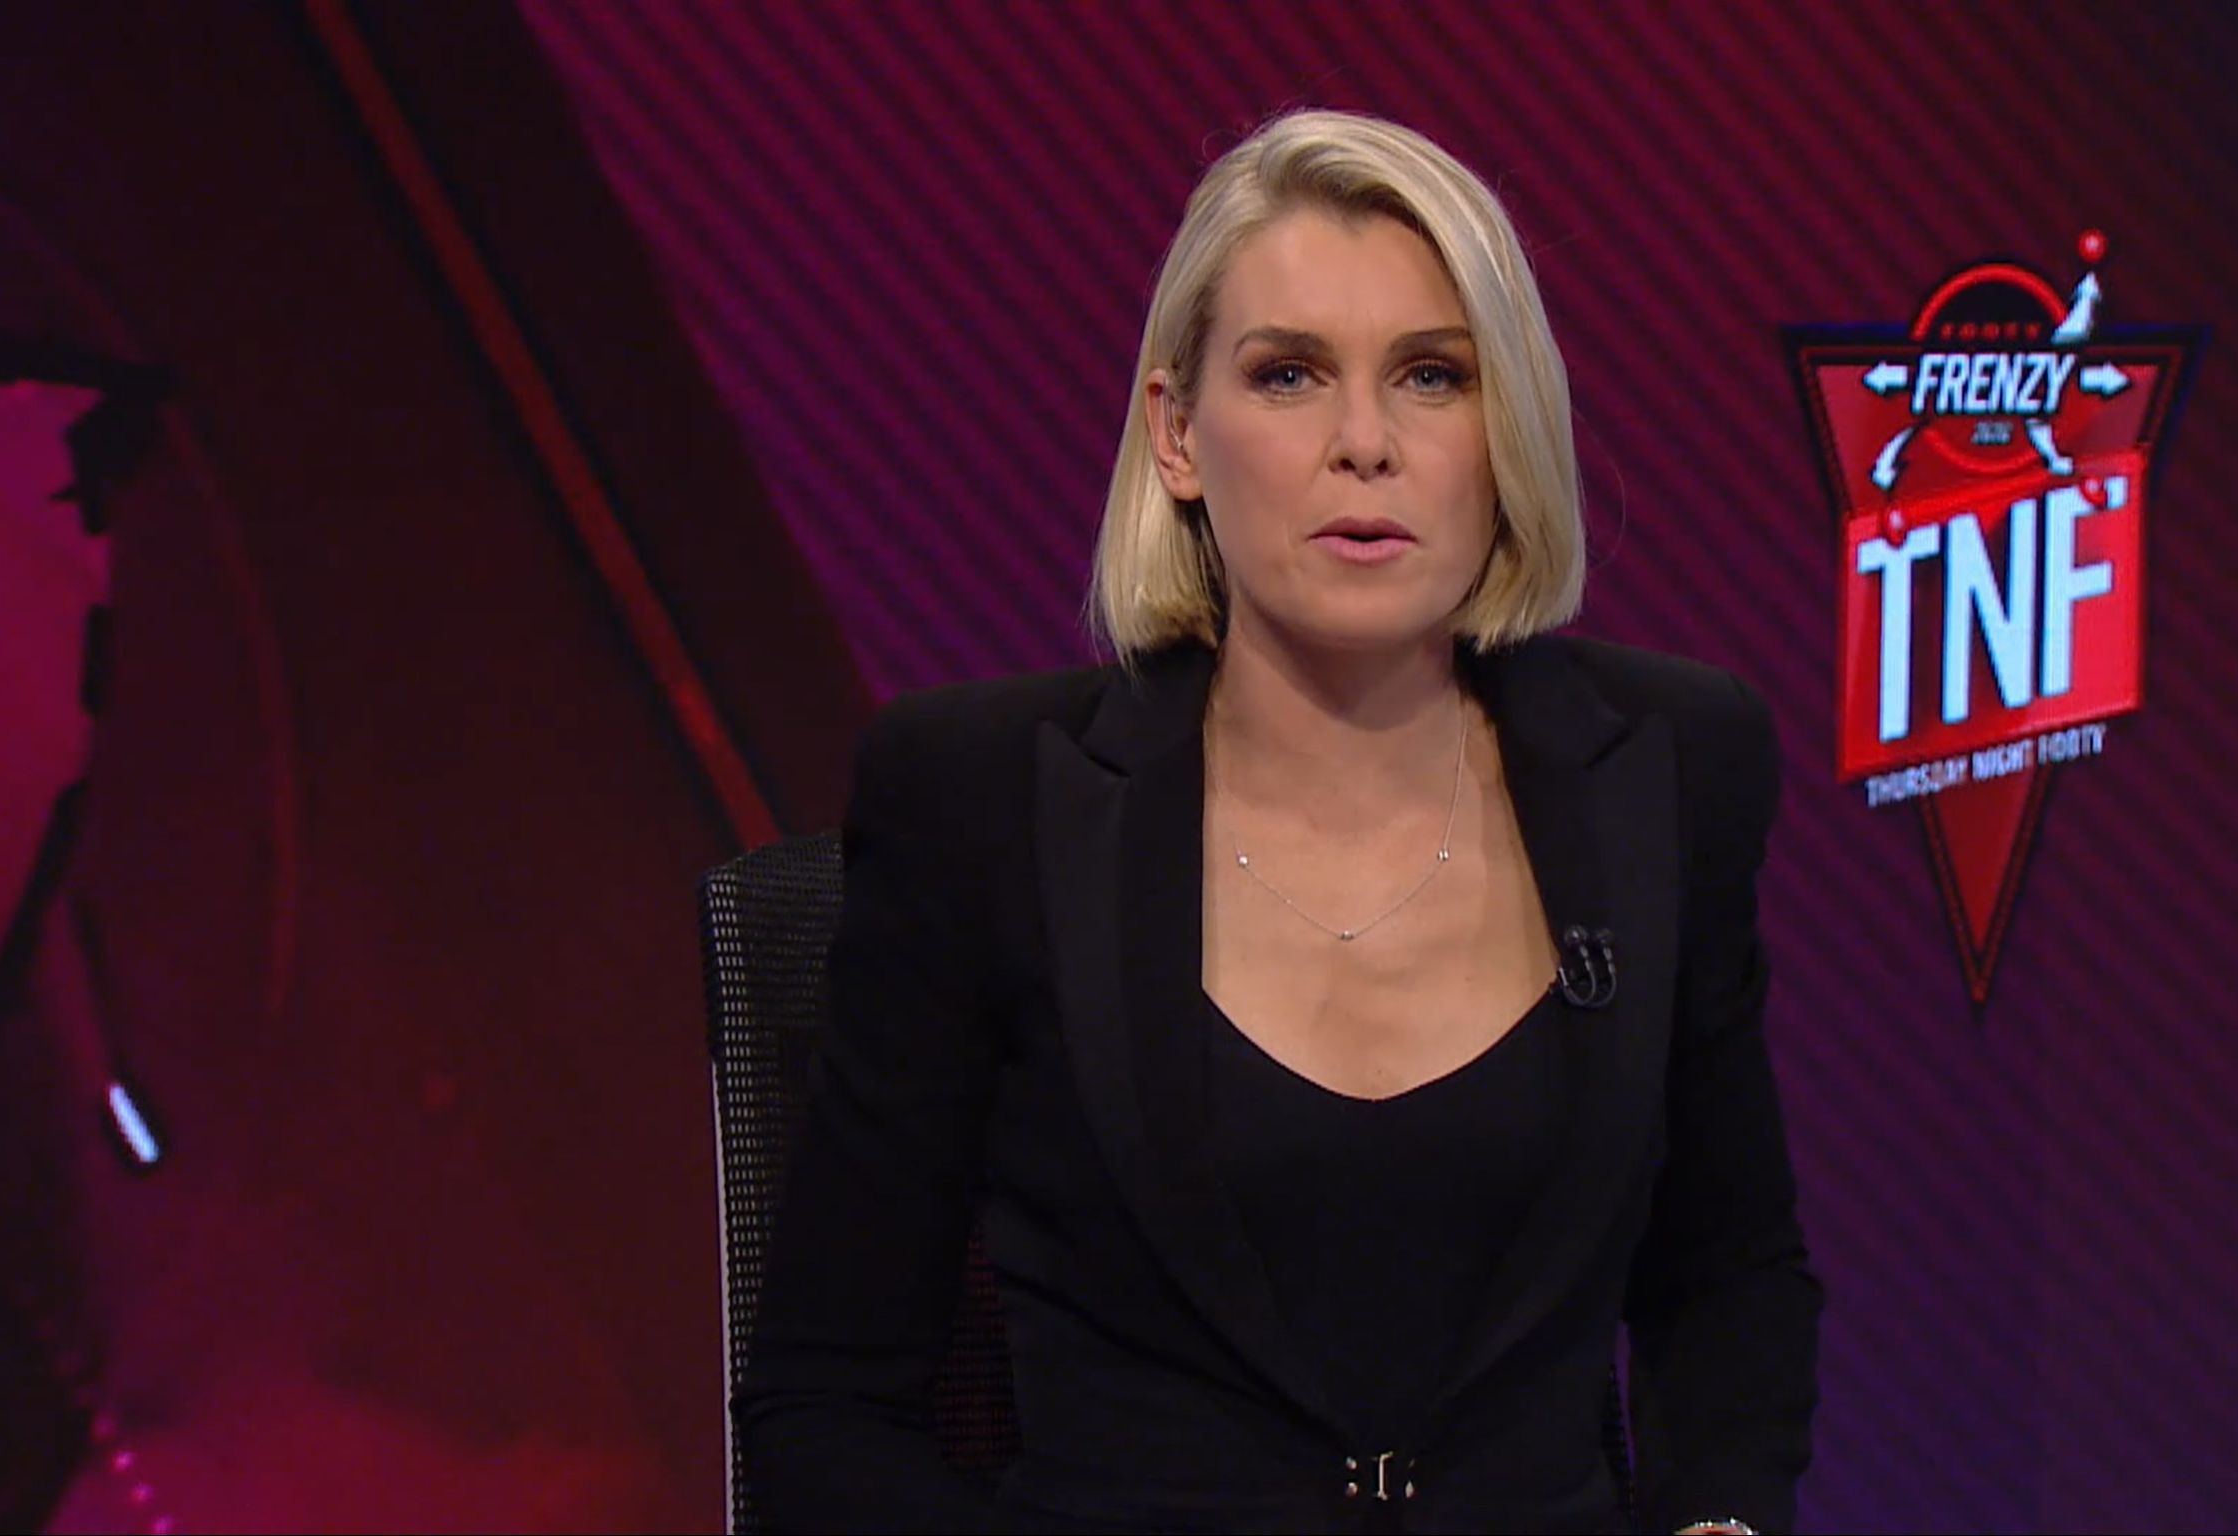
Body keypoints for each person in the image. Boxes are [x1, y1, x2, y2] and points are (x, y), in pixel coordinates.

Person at [735, 108, 1823, 1534]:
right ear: (1178, 433)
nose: (1364, 444)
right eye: (1290, 374)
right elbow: (825, 1404)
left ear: (1505, 432)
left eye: (1432, 376)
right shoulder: (982, 798)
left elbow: (1731, 1283)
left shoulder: (1668, 766)